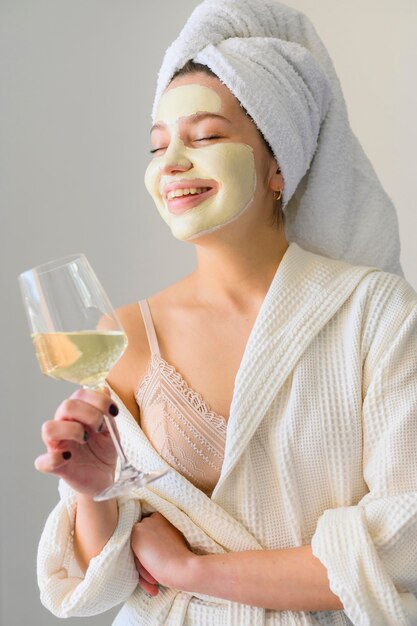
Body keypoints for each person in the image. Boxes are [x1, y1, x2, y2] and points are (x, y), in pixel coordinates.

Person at [35, 1, 417, 624]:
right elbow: (96, 587)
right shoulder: (124, 335)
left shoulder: (376, 315)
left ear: (277, 166)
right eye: (158, 146)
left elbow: (408, 538)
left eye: (207, 136)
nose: (172, 164)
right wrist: (93, 492)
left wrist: (196, 571)